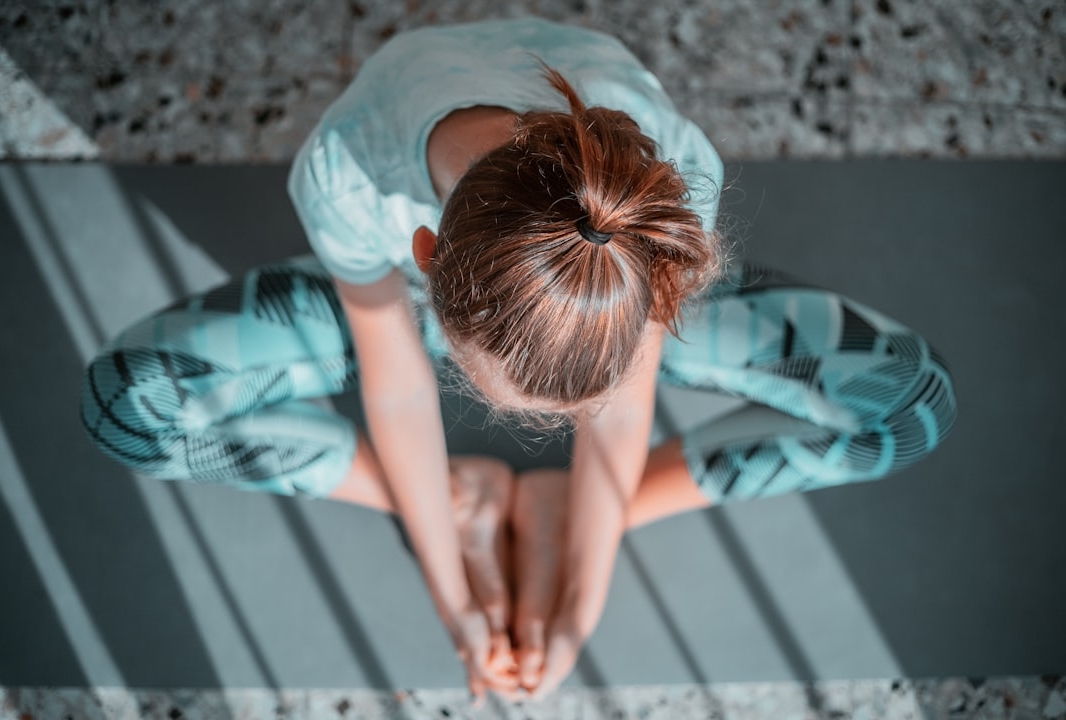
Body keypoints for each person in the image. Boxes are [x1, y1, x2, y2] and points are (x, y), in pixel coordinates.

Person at [80, 18, 957, 703]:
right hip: (411, 301)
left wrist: (582, 599)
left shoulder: (657, 188)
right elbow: (399, 386)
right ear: (421, 252)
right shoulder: (349, 174)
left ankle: (566, 507)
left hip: (607, 293)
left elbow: (626, 401)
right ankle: (457, 496)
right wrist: (455, 601)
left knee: (911, 403)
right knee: (125, 406)